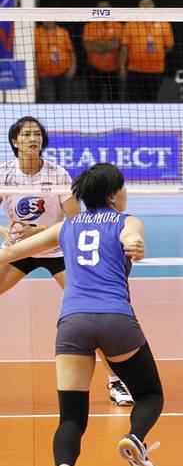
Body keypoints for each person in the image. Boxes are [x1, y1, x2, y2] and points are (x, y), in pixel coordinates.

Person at [0, 163, 164, 466]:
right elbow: (131, 237)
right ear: (113, 195)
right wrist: (135, 245)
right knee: (150, 395)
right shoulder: (126, 220)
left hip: (72, 324)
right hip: (117, 321)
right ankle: (135, 438)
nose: (126, 193)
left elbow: (11, 253)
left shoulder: (65, 226)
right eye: (123, 188)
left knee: (71, 417)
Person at [0, 116, 133, 406]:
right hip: (20, 249)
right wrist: (4, 232)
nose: (33, 138)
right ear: (14, 142)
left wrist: (39, 232)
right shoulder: (4, 174)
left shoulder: (58, 174)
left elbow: (76, 219)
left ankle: (116, 381)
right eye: (26, 134)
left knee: (93, 310)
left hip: (58, 250)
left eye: (37, 134)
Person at [121, 0, 174, 102]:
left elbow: (169, 46)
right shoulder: (130, 24)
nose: (146, 6)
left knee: (151, 102)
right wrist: (122, 67)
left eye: (149, 3)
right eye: (143, 4)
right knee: (133, 103)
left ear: (154, 5)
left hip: (156, 70)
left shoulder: (165, 25)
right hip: (134, 70)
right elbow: (124, 48)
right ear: (138, 7)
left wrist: (157, 53)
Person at [82, 0, 123, 102]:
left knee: (114, 99)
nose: (103, 10)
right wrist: (109, 44)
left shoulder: (118, 26)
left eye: (106, 8)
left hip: (114, 69)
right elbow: (89, 47)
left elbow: (117, 45)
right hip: (94, 69)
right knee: (94, 100)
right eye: (101, 8)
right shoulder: (89, 26)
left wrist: (97, 43)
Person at [34, 21, 76, 102]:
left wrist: (73, 68)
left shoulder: (63, 32)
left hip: (63, 73)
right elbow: (33, 55)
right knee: (49, 101)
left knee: (66, 101)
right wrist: (35, 76)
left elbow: (71, 51)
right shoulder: (36, 33)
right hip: (45, 74)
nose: (48, 21)